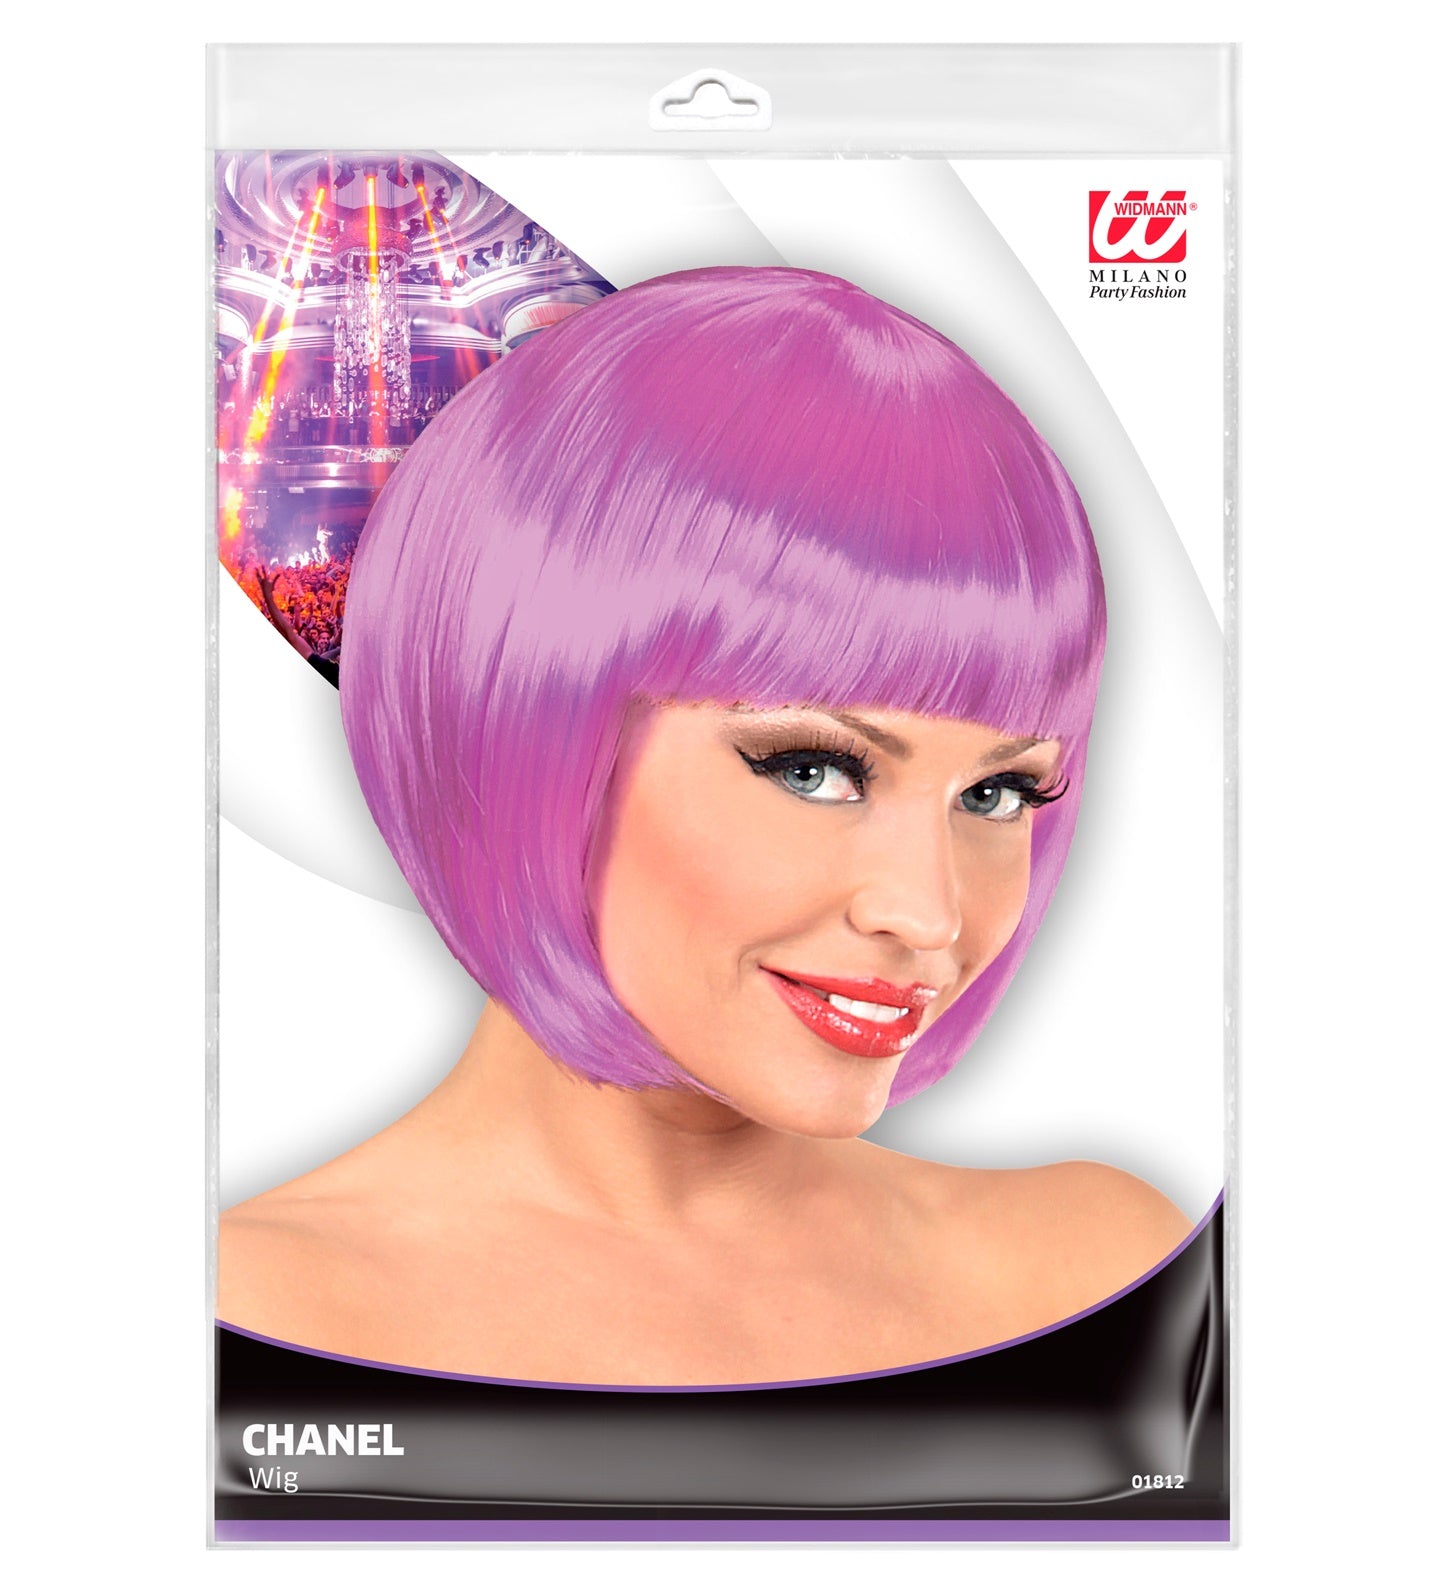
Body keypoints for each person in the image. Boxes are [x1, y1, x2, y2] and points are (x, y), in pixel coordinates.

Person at [219, 267, 1188, 1385]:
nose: (928, 914)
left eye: (995, 794)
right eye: (815, 770)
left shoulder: (1100, 1269)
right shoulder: (248, 1319)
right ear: (523, 730)